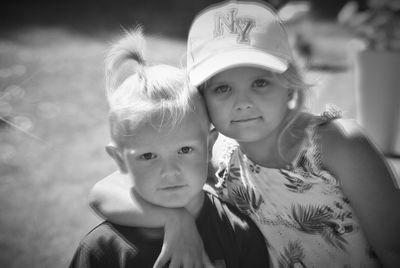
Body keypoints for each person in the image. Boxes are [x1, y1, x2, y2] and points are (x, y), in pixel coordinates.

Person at [88, 1, 400, 268]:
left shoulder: (338, 144)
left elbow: (393, 250)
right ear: (203, 97)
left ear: (288, 82)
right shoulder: (214, 151)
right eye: (223, 88)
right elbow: (105, 191)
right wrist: (175, 221)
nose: (244, 102)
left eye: (260, 82)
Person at [69, 28, 270, 268]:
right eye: (148, 156)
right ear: (120, 159)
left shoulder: (239, 233)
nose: (170, 171)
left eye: (185, 150)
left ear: (209, 145)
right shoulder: (103, 249)